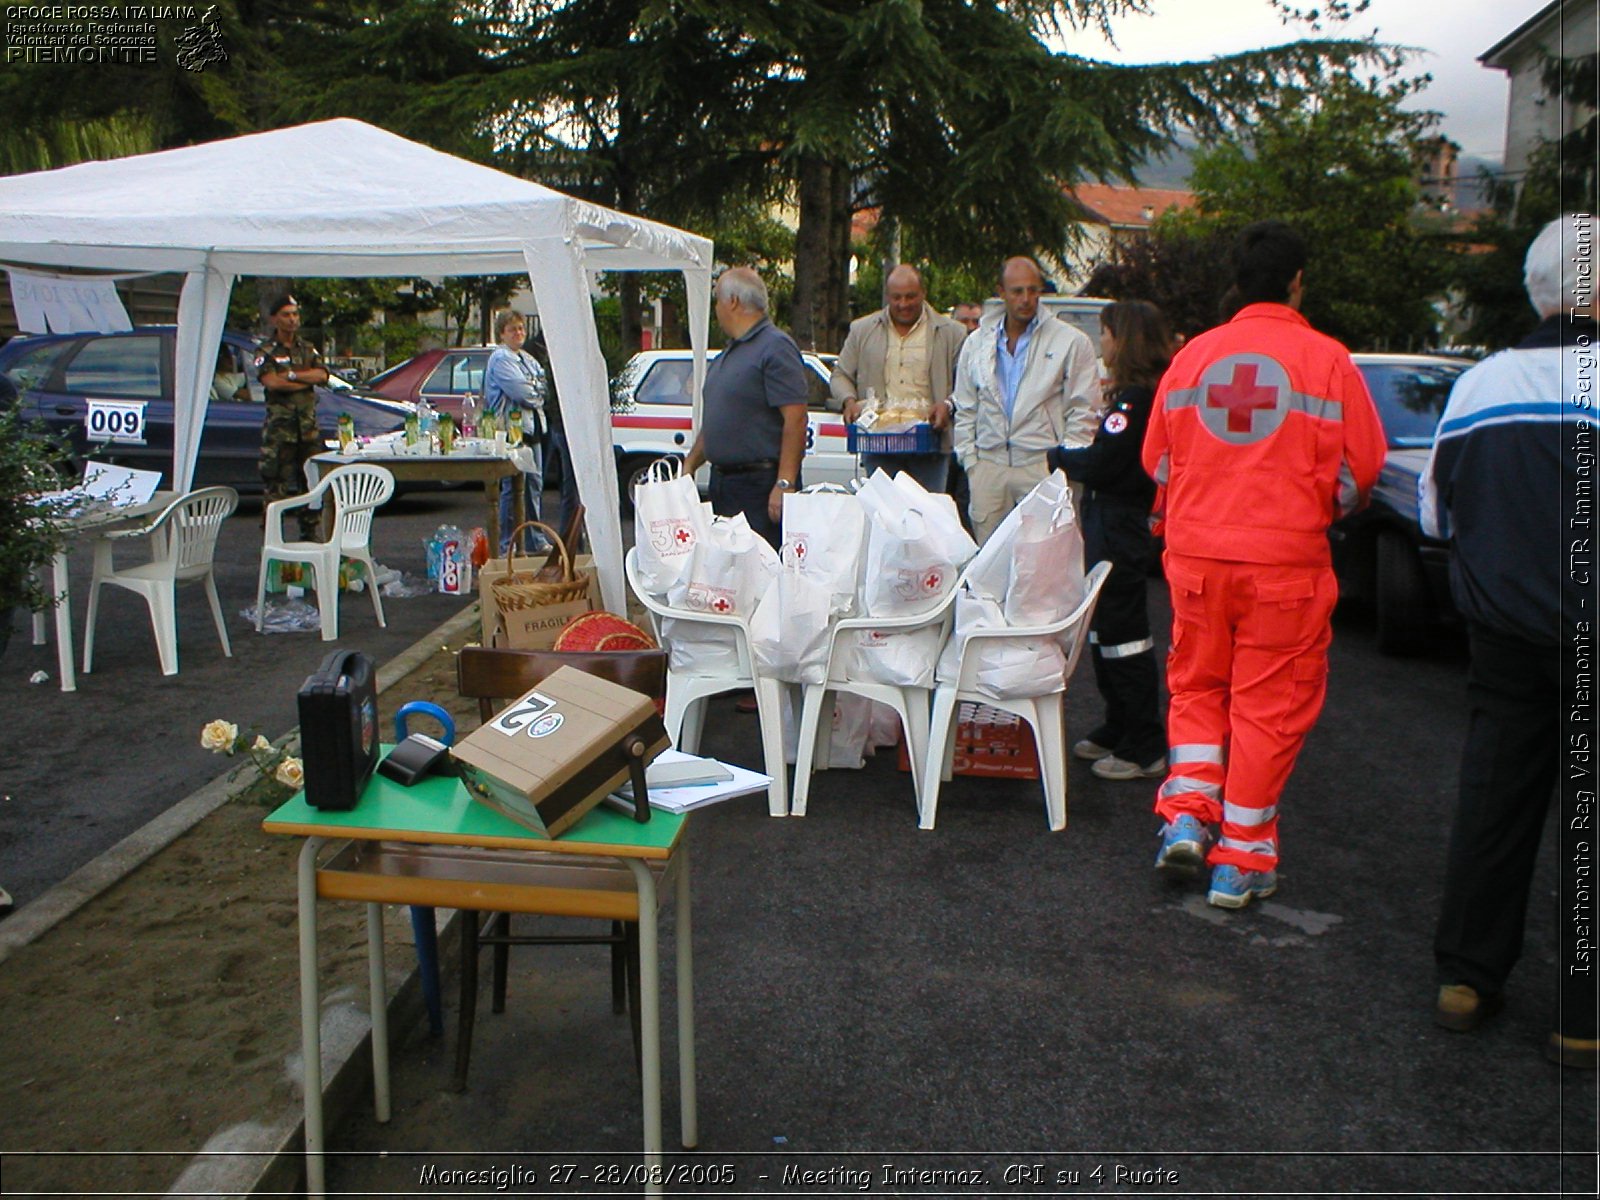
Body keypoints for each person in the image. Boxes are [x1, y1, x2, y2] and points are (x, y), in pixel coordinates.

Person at [1141, 221, 1386, 909]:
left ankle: (1187, 817)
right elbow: (1359, 471)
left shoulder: (1192, 360)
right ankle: (1240, 860)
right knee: (1266, 708)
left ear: (1237, 282)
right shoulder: (1330, 361)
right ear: (1298, 282)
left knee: (1196, 687)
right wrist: (1311, 508)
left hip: (1196, 560)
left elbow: (1156, 462)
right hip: (1283, 565)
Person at [1423, 213, 1597, 1068]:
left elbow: (1434, 509)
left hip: (1502, 634)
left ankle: (1467, 978)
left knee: (1495, 803)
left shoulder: (1481, 386)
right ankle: (1582, 1015)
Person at [1051, 300, 1171, 782]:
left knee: (1125, 637)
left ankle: (1144, 744)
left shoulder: (1135, 401)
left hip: (1119, 523)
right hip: (1107, 520)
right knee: (1104, 630)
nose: (1101, 344)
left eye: (1104, 335)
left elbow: (1107, 463)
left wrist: (1060, 457)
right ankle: (1118, 724)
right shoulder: (1130, 397)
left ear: (1122, 340)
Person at [951, 256, 1099, 542]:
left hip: (1042, 464)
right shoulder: (978, 342)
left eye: (1034, 290)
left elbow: (1083, 408)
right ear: (1001, 292)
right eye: (1018, 291)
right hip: (989, 465)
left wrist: (1064, 464)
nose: (1026, 299)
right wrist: (971, 462)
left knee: (1043, 565)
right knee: (991, 565)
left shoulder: (1070, 341)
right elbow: (966, 406)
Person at [682, 267, 809, 549]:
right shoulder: (730, 352)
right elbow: (720, 420)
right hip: (724, 483)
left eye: (717, 300)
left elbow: (796, 418)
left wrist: (785, 482)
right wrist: (690, 464)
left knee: (759, 572)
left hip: (759, 485)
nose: (716, 309)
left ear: (733, 302)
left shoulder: (775, 346)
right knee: (730, 573)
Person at [829, 264, 968, 492]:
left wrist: (947, 405)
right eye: (897, 298)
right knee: (884, 518)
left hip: (930, 442)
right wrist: (849, 401)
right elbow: (841, 374)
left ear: (923, 293)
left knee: (927, 517)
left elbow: (967, 385)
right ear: (887, 296)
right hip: (879, 443)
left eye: (910, 297)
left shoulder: (952, 332)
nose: (903, 304)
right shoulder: (862, 330)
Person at [256, 294, 328, 539]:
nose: (292, 320)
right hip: (280, 433)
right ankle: (272, 539)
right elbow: (273, 382)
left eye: (295, 314)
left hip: (307, 430)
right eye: (286, 315)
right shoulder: (266, 350)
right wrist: (301, 380)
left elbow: (322, 376)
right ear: (275, 319)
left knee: (310, 485)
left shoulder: (307, 348)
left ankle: (309, 537)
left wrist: (294, 376)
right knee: (276, 488)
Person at [482, 310, 551, 555]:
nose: (519, 333)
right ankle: (507, 544)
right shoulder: (501, 358)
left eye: (521, 328)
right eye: (512, 329)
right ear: (502, 333)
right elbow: (523, 393)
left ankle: (534, 538)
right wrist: (536, 392)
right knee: (513, 489)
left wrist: (537, 391)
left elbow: (544, 386)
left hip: (532, 430)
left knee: (534, 485)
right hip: (511, 431)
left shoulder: (526, 358)